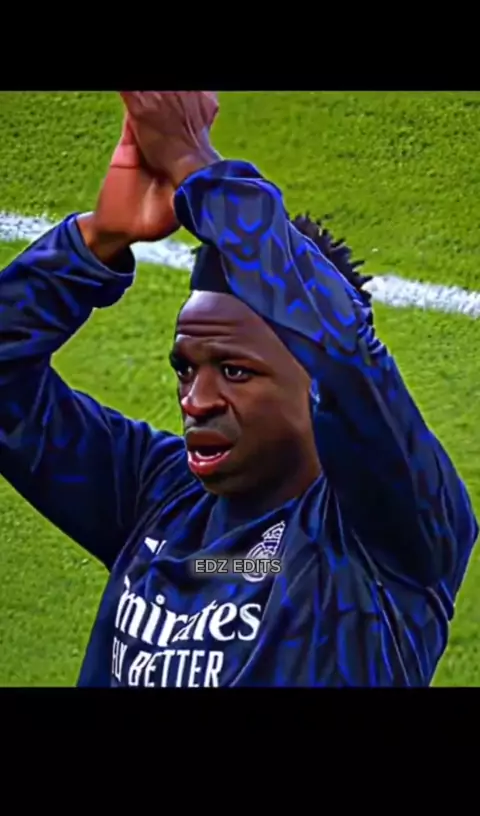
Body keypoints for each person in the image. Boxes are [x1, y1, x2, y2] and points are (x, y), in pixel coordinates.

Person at [0, 91, 477, 688]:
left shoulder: (389, 535)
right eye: (185, 369)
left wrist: (195, 164)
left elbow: (343, 353)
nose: (195, 401)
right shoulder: (156, 496)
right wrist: (96, 241)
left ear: (315, 386)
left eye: (235, 372)